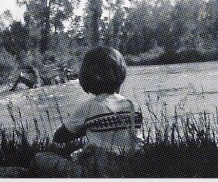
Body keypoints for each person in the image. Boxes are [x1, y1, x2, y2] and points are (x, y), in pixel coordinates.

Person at [33, 46, 143, 178]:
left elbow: (59, 137)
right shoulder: (132, 106)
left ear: (87, 79)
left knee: (39, 157)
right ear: (121, 75)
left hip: (95, 173)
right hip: (129, 169)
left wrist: (85, 128)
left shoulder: (89, 107)